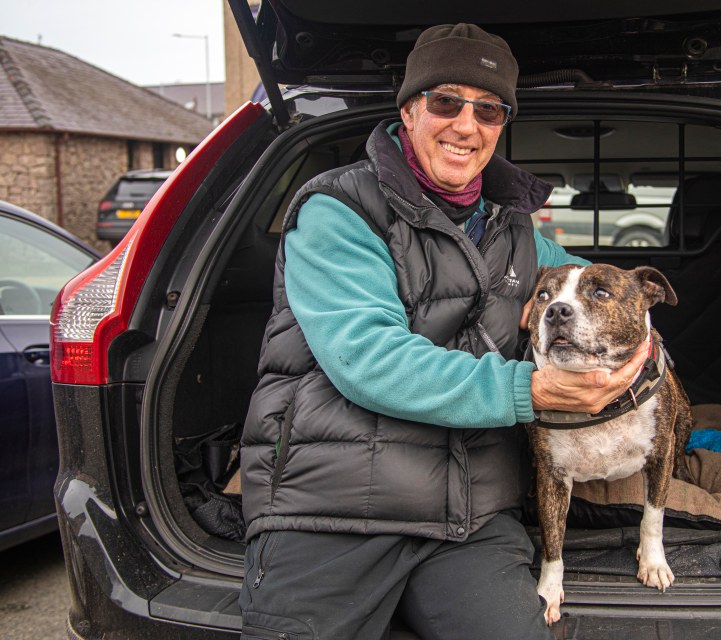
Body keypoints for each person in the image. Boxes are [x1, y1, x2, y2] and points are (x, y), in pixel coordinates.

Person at [239, 23, 648, 640]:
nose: (466, 125)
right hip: (332, 508)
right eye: (446, 102)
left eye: (489, 110)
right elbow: (370, 359)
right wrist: (527, 390)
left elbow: (596, 287)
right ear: (409, 109)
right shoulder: (337, 210)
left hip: (471, 512)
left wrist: (641, 343)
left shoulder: (515, 231)